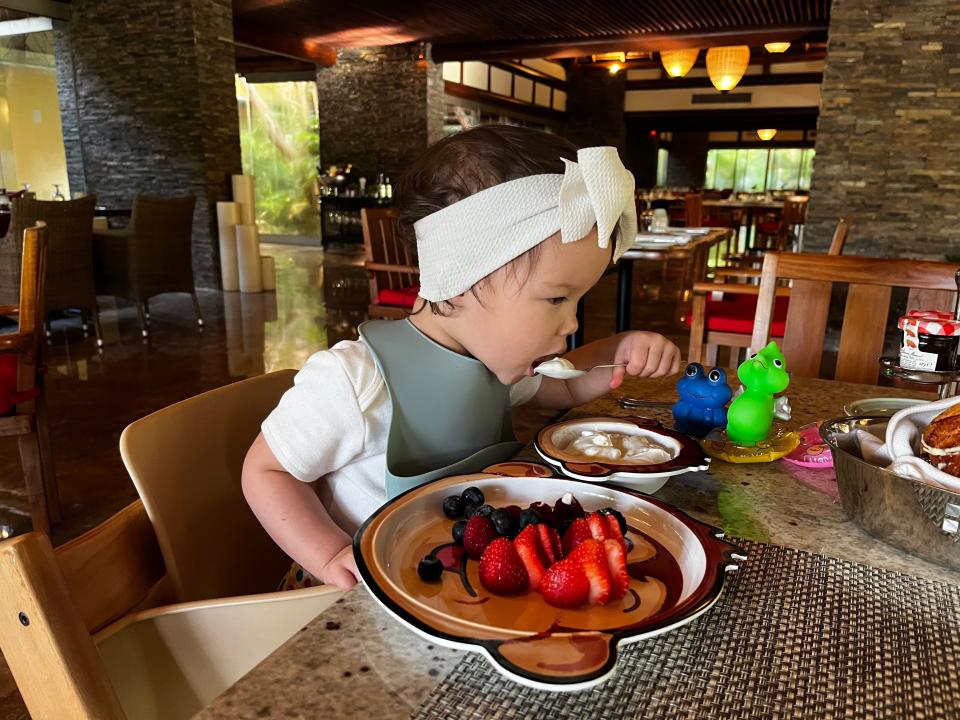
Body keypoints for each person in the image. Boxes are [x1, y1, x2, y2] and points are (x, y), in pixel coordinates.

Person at [242, 126, 680, 591]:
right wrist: (329, 553)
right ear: (459, 278)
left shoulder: (498, 364)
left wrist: (619, 351)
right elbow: (266, 471)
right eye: (556, 299)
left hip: (454, 580)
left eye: (578, 302)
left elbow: (568, 388)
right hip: (351, 592)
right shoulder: (356, 380)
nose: (572, 324)